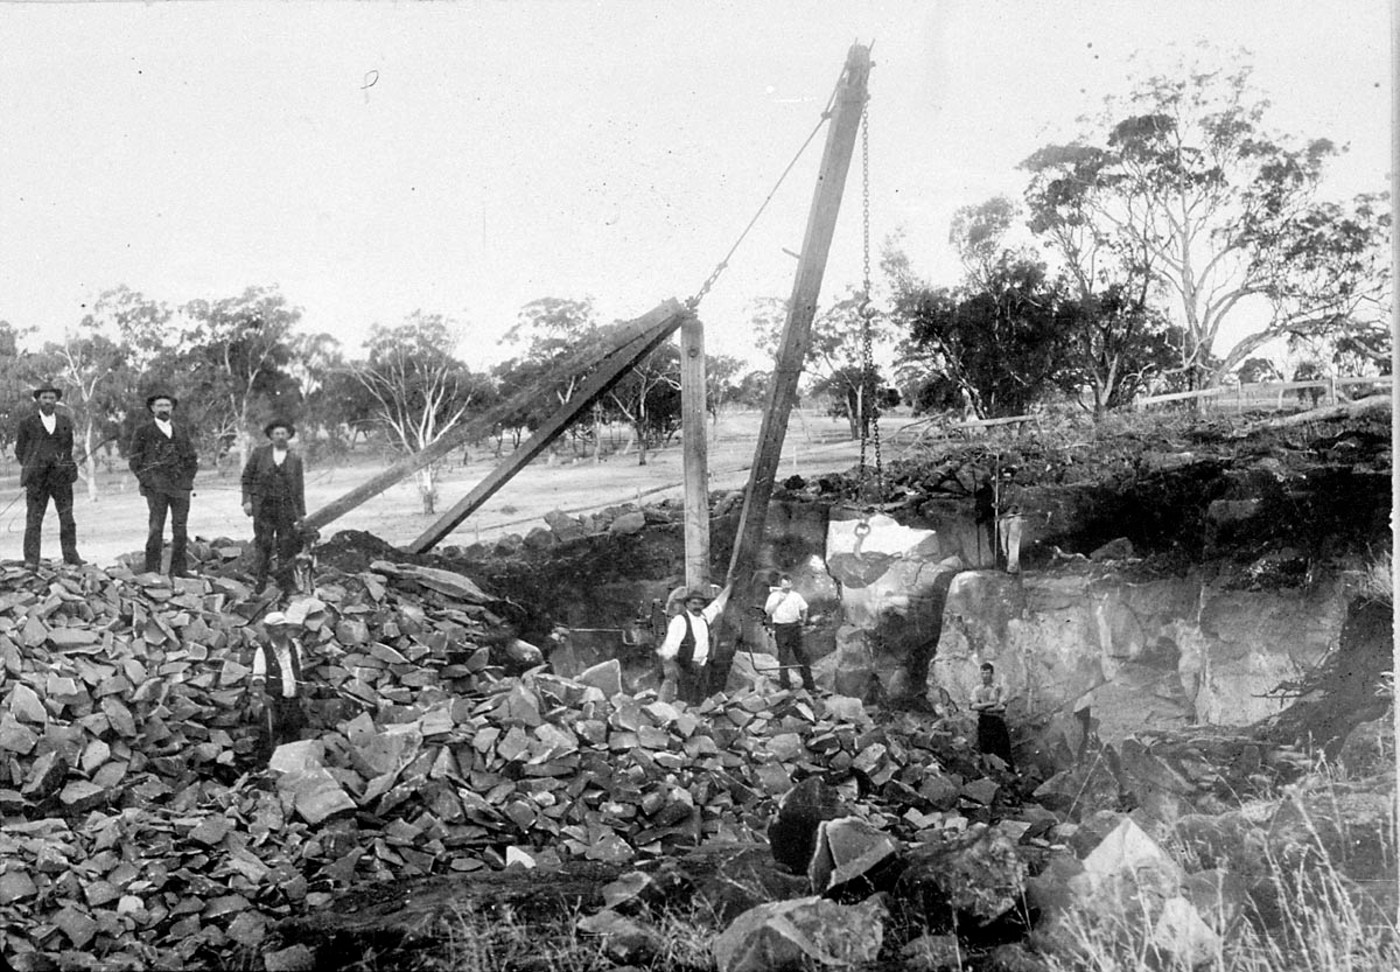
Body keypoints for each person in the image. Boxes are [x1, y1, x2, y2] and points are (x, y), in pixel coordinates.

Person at [127, 392, 199, 576]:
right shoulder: (143, 431)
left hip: (180, 488)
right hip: (156, 489)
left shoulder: (180, 430)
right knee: (156, 528)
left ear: (172, 408)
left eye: (167, 405)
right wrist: (149, 482)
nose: (164, 409)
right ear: (152, 409)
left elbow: (191, 457)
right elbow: (135, 461)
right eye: (160, 406)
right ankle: (152, 570)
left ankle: (179, 570)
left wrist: (187, 480)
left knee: (180, 529)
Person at [15, 385, 82, 568]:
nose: (48, 401)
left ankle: (71, 556)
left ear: (56, 400)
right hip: (37, 480)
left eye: (52, 398)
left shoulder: (64, 421)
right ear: (38, 399)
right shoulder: (27, 423)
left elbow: (68, 449)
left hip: (61, 479)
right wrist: (34, 468)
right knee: (34, 520)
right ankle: (31, 559)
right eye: (44, 397)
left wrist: (64, 467)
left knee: (67, 518)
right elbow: (20, 451)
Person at [240, 420, 306, 595]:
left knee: (286, 546)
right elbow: (246, 478)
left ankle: (286, 584)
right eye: (276, 434)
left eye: (283, 433)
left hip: (286, 509)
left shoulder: (295, 459)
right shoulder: (259, 454)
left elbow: (299, 487)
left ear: (289, 436)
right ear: (271, 436)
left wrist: (301, 514)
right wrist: (246, 501)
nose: (280, 437)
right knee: (263, 544)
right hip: (264, 508)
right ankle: (261, 583)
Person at [655, 584, 733, 704]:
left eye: (700, 604)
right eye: (694, 603)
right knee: (685, 700)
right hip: (686, 667)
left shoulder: (705, 617)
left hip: (703, 666)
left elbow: (717, 605)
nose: (697, 607)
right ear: (687, 604)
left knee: (701, 699)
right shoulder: (680, 621)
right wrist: (669, 667)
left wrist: (730, 586)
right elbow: (670, 646)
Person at [248, 610, 309, 759]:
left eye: (282, 628)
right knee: (269, 735)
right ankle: (264, 767)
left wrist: (303, 694)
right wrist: (263, 695)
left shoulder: (295, 646)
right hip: (274, 701)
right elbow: (258, 677)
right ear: (269, 631)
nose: (280, 632)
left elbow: (298, 671)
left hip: (293, 699)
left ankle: (289, 769)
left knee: (293, 733)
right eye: (276, 630)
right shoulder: (263, 651)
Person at [764, 573, 812, 691]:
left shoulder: (796, 596)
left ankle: (809, 685)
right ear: (780, 584)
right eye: (784, 584)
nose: (787, 586)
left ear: (791, 584)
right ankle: (785, 686)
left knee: (802, 656)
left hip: (795, 627)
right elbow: (768, 612)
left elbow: (804, 608)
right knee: (783, 657)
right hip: (781, 628)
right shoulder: (774, 596)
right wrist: (779, 601)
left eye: (789, 583)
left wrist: (803, 621)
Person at [971, 661, 1014, 769]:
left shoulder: (998, 688)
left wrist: (982, 707)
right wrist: (990, 704)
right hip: (984, 722)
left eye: (987, 673)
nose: (985, 676)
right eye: (983, 673)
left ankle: (1008, 773)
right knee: (985, 749)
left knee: (1002, 749)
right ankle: (990, 772)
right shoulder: (977, 689)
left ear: (992, 674)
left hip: (996, 722)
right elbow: (973, 706)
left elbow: (1001, 707)